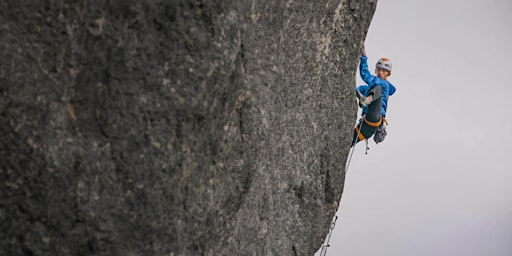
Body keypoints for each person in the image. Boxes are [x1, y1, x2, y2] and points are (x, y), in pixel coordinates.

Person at [352, 42, 396, 146]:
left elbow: (366, 76)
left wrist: (363, 57)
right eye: (379, 70)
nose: (381, 72)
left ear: (388, 74)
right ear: (375, 70)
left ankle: (366, 100)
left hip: (376, 117)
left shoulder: (384, 84)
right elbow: (357, 89)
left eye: (384, 71)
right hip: (366, 127)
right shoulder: (369, 88)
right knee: (346, 142)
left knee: (378, 89)